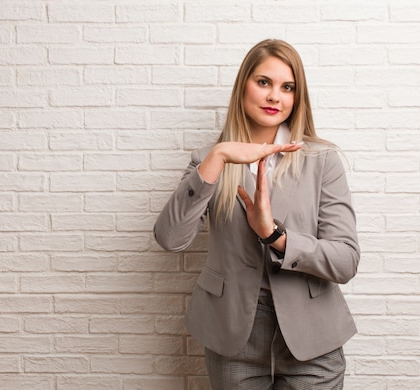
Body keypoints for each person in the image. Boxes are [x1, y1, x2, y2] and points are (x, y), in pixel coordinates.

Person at [153, 39, 360, 389]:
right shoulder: (209, 160)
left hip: (312, 337)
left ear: (297, 97)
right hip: (234, 335)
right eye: (264, 82)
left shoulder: (322, 161)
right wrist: (217, 157)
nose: (274, 96)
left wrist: (275, 236)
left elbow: (345, 261)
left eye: (287, 87)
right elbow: (170, 239)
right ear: (243, 86)